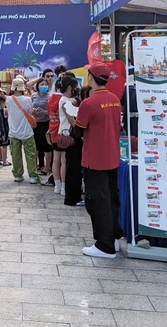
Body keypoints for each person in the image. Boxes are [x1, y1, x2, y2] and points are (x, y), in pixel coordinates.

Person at [72, 63, 123, 258]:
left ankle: (104, 245)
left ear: (91, 78)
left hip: (94, 159)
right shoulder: (114, 99)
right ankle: (114, 238)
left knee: (97, 202)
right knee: (111, 199)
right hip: (112, 156)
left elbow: (78, 131)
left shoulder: (89, 103)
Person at [58, 75, 83, 206]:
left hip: (71, 136)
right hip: (71, 137)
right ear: (69, 88)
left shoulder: (69, 100)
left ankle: (73, 195)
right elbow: (72, 121)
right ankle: (72, 196)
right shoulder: (65, 102)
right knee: (72, 167)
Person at [6, 78, 38, 183]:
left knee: (15, 154)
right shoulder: (28, 100)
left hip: (13, 132)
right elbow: (30, 112)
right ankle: (33, 175)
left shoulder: (8, 100)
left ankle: (18, 174)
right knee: (30, 154)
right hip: (27, 131)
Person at [32, 69, 54, 177]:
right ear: (38, 85)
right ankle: (36, 166)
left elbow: (52, 112)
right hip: (35, 123)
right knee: (36, 145)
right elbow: (29, 108)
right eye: (42, 84)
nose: (44, 86)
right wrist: (33, 111)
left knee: (46, 146)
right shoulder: (33, 96)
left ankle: (47, 167)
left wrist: (44, 112)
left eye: (45, 84)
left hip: (45, 123)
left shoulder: (50, 97)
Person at [0, 91, 11, 167]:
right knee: (4, 146)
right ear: (2, 103)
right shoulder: (3, 111)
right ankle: (4, 161)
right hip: (3, 130)